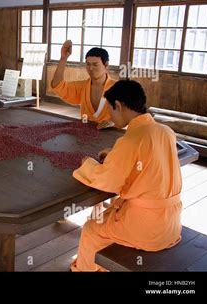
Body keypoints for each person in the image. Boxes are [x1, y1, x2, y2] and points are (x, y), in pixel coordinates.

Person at [70, 80, 182, 272]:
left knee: (91, 229)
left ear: (119, 106)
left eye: (111, 110)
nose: (110, 116)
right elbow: (148, 160)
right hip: (171, 222)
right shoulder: (166, 131)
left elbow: (107, 181)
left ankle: (83, 269)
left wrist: (87, 164)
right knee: (105, 219)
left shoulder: (131, 139)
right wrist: (115, 154)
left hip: (147, 228)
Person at [51, 40, 116, 129]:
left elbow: (131, 114)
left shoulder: (118, 88)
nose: (91, 68)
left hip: (111, 134)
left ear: (106, 65)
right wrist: (63, 58)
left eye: (95, 64)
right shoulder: (82, 86)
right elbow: (58, 85)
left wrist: (114, 122)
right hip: (85, 132)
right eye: (88, 64)